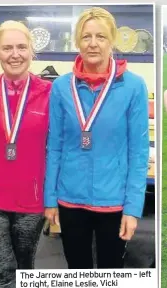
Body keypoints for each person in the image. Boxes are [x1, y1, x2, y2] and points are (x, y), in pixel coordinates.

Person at [44, 7, 150, 269]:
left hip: (113, 201)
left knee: (110, 275)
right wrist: (50, 199)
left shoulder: (134, 86)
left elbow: (138, 153)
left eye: (100, 37)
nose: (93, 44)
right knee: (77, 272)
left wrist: (133, 208)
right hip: (70, 198)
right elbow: (54, 146)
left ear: (112, 41)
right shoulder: (61, 87)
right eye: (86, 36)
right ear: (77, 41)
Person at [0, 20, 52, 288]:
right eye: (7, 48)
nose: (14, 54)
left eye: (21, 47)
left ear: (32, 51)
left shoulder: (50, 93)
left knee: (25, 268)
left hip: (31, 197)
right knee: (5, 270)